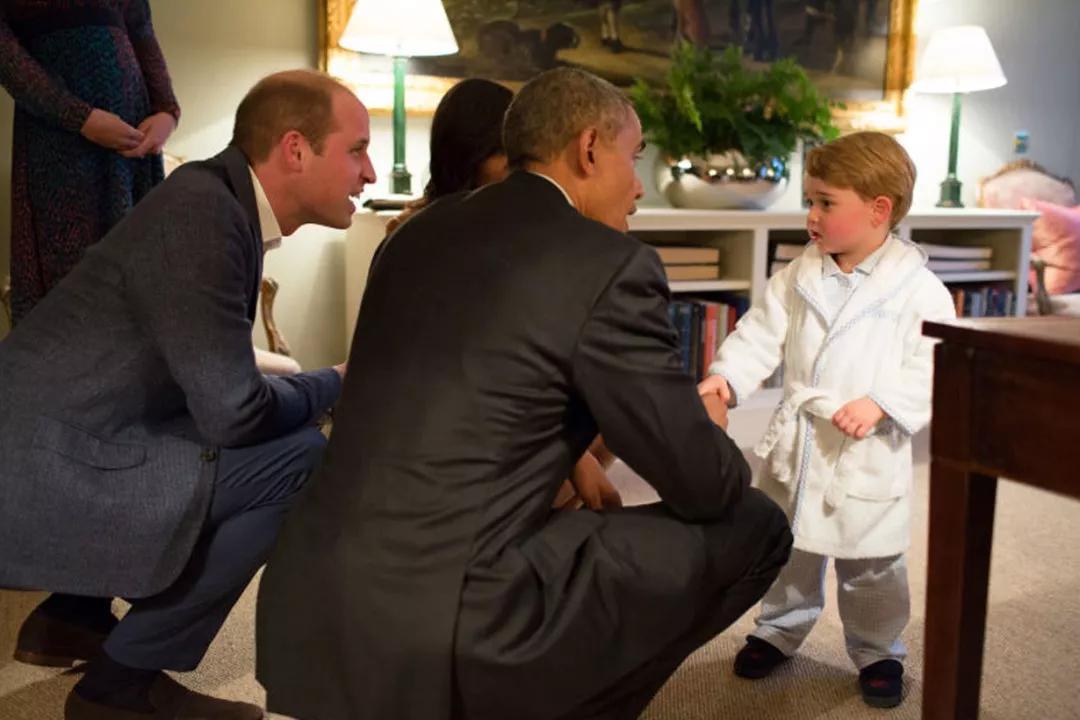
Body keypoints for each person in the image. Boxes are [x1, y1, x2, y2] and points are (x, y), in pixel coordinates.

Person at [256, 66, 792, 720]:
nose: (638, 187)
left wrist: (574, 455)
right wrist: (709, 426)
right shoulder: (610, 265)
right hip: (449, 620)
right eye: (635, 158)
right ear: (589, 148)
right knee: (756, 524)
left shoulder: (415, 232)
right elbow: (704, 485)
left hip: (308, 598)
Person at [0, 69, 375, 719]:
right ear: (295, 148)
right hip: (43, 470)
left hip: (66, 441)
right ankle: (118, 687)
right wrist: (337, 381)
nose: (368, 173)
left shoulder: (213, 200)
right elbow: (236, 414)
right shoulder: (205, 214)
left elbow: (206, 383)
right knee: (301, 460)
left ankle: (71, 619)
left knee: (279, 434)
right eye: (357, 150)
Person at [699, 131, 957, 708]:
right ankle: (778, 628)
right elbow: (759, 333)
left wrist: (883, 402)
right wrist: (727, 378)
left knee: (872, 563)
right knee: (789, 547)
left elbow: (934, 361)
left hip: (867, 448)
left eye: (825, 202)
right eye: (809, 201)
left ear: (879, 209)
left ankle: (879, 649)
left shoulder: (918, 290)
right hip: (801, 441)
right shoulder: (799, 274)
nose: (810, 216)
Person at [0, 0, 180, 324]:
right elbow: (6, 55)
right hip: (60, 142)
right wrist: (79, 118)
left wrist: (167, 111)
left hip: (133, 144)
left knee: (141, 278)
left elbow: (140, 27)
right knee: (72, 286)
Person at [385, 77, 513, 234]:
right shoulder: (410, 229)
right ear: (468, 153)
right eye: (502, 151)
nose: (516, 165)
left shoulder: (524, 221)